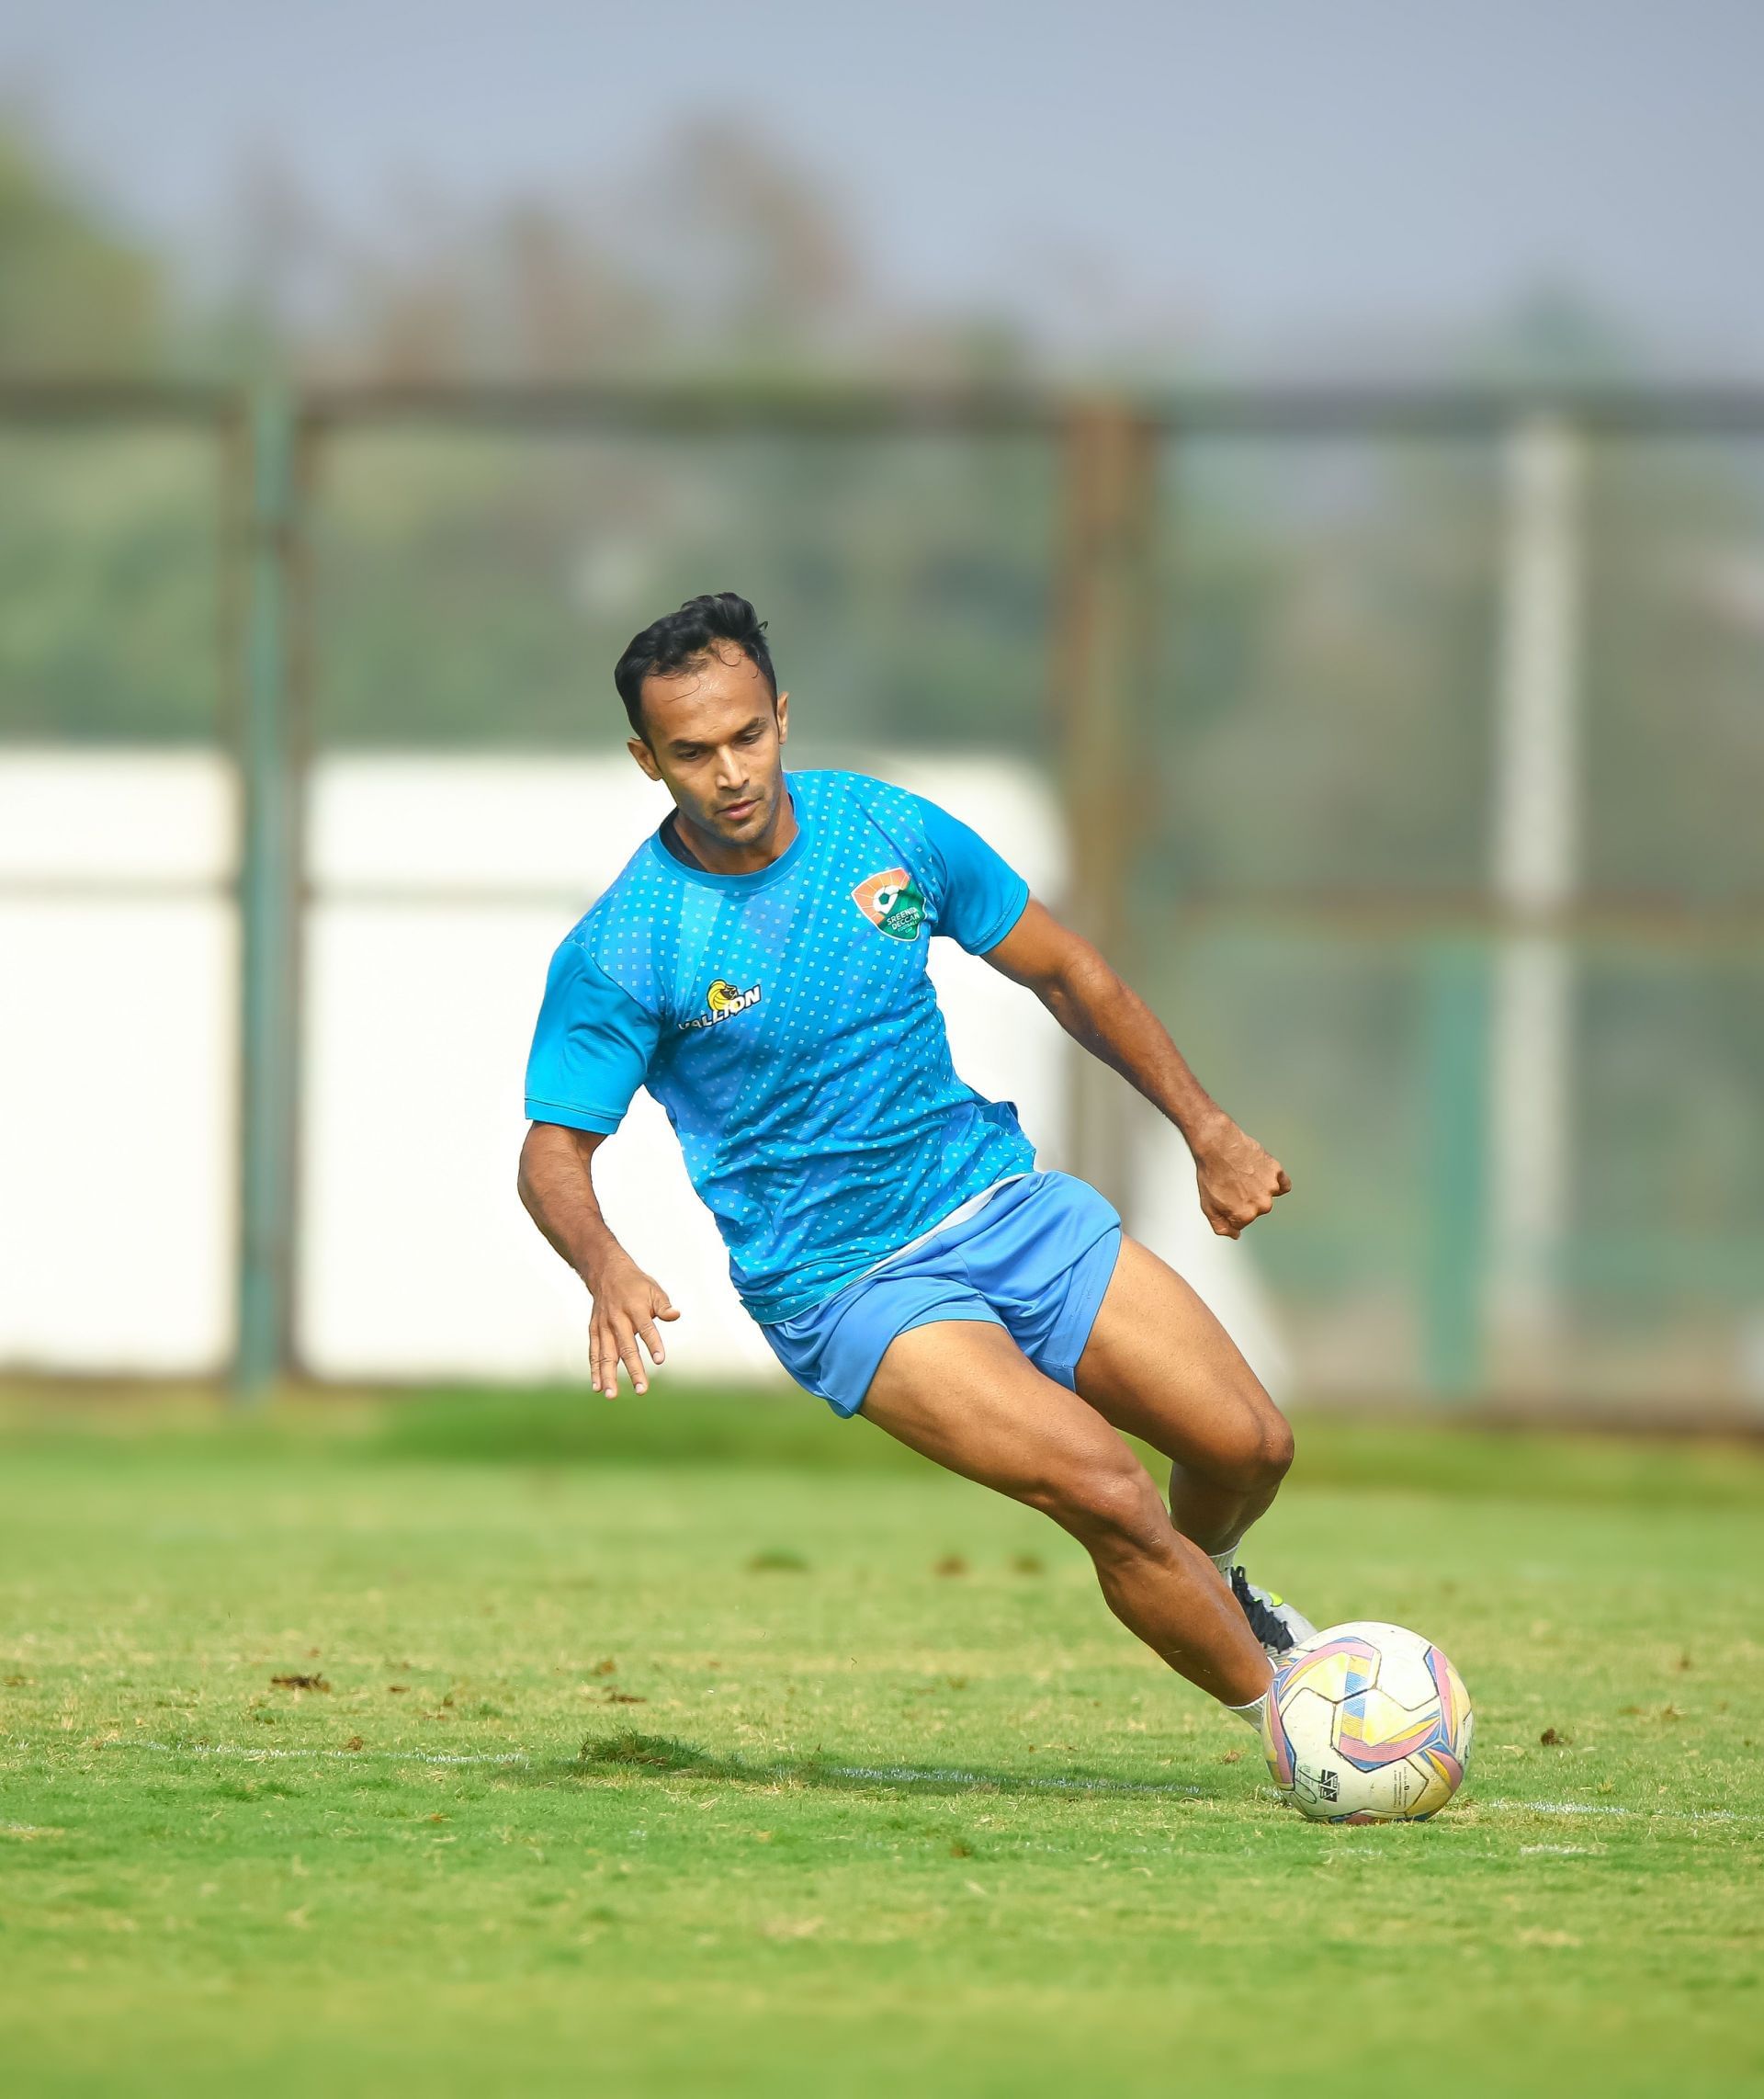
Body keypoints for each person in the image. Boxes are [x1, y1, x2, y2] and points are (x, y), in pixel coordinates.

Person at [518, 592, 1311, 1735]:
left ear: (783, 716)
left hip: (1000, 1201)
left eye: (747, 735)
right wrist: (603, 1263)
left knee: (1249, 1443)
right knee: (1106, 1490)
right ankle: (1299, 1724)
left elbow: (1068, 970)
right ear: (648, 761)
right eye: (692, 752)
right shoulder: (627, 945)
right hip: (847, 1280)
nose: (730, 771)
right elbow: (551, 1157)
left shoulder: (883, 830)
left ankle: (1213, 1580)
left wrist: (1208, 1129)